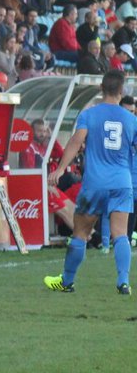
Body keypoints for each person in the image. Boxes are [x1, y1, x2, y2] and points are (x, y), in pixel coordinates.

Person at [45, 70, 137, 295]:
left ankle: (67, 281)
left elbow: (76, 142)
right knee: (121, 233)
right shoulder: (132, 119)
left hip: (95, 183)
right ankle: (123, 282)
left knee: (80, 233)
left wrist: (60, 168)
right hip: (122, 182)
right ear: (121, 91)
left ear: (101, 89)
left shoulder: (90, 115)